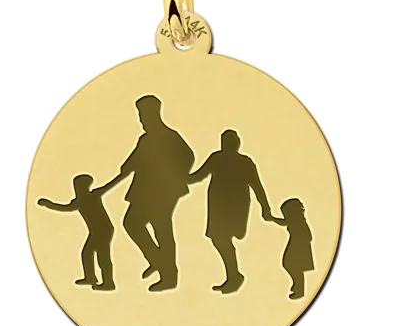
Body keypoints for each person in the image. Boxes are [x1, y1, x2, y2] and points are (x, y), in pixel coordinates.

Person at [99, 96, 194, 291]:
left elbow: (188, 157)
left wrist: (173, 177)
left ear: (154, 114)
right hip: (144, 191)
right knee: (132, 223)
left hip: (163, 192)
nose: (141, 119)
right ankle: (158, 261)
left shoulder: (170, 136)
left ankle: (169, 276)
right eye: (140, 115)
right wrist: (104, 188)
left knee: (161, 229)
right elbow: (129, 167)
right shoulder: (145, 139)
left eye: (143, 115)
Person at [189, 129, 273, 293]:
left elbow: (257, 186)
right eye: (225, 142)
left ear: (236, 144)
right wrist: (178, 177)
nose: (227, 145)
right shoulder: (216, 158)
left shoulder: (244, 162)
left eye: (230, 142)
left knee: (222, 238)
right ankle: (233, 275)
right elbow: (198, 176)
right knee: (220, 239)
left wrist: (266, 208)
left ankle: (234, 276)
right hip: (219, 206)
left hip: (235, 207)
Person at [37, 173, 118, 290]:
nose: (77, 189)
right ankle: (91, 277)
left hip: (103, 230)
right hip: (96, 231)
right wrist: (48, 204)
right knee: (87, 253)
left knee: (102, 255)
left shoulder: (94, 195)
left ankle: (108, 283)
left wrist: (123, 174)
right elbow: (64, 208)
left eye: (79, 186)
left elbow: (110, 185)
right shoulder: (78, 201)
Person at [270, 198, 314, 299]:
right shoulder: (294, 221)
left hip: (298, 246)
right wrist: (272, 219)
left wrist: (299, 244)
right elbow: (285, 222)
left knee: (293, 266)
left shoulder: (300, 223)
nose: (285, 216)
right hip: (295, 244)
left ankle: (299, 289)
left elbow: (308, 236)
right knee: (291, 265)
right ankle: (297, 285)